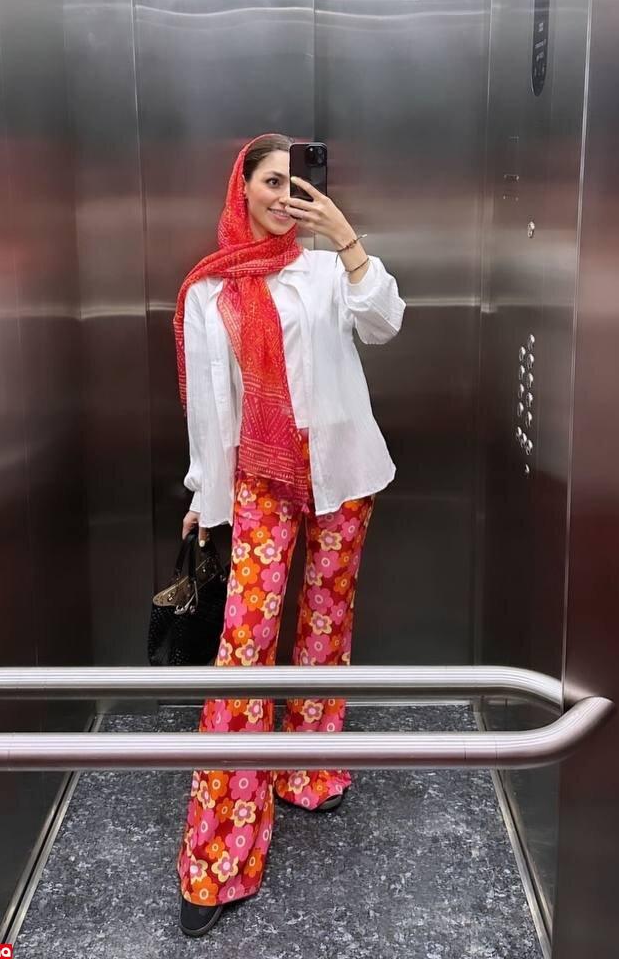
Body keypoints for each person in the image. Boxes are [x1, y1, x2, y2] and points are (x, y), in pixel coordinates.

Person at [172, 133, 405, 938]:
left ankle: (308, 769)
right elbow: (211, 408)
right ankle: (218, 859)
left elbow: (385, 322)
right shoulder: (210, 289)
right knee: (245, 650)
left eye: (294, 183)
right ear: (239, 189)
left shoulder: (326, 269)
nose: (283, 196)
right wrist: (204, 495)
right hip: (260, 475)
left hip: (343, 469)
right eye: (269, 181)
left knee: (325, 627)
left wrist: (346, 240)